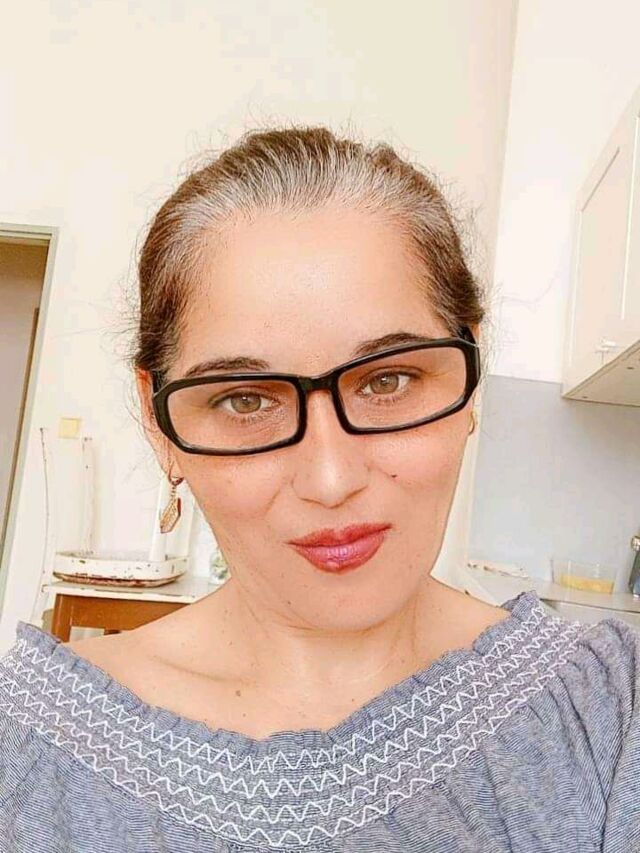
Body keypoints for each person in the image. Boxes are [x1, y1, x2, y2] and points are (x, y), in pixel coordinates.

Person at [0, 126, 638, 853]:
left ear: (469, 369)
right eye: (245, 399)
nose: (331, 481)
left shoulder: (610, 713)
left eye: (388, 380)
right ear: (158, 420)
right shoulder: (25, 749)